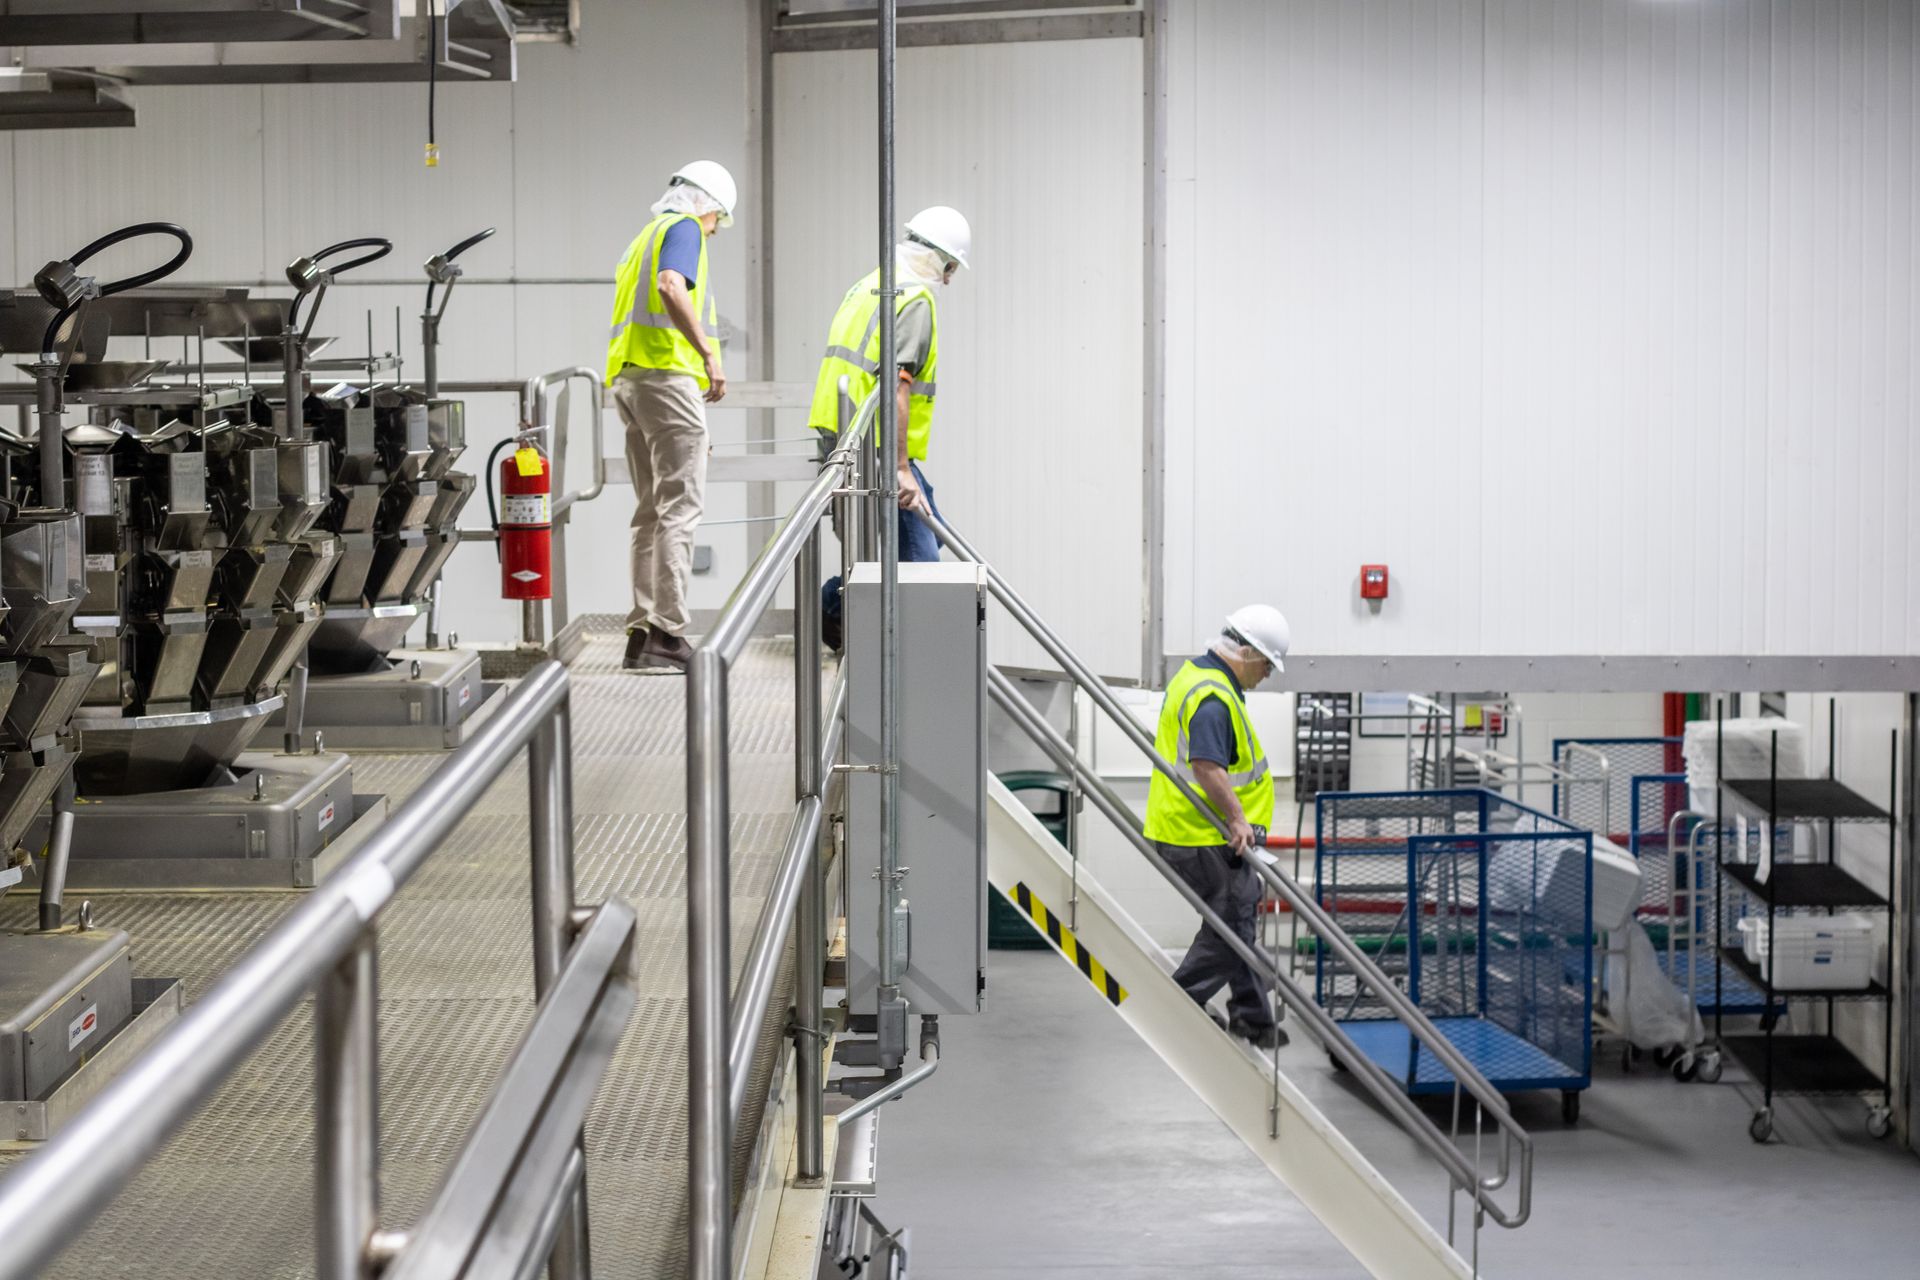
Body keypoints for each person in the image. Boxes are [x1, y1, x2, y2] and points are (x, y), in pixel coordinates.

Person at [807, 206, 971, 649]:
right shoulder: (915, 299)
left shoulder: (869, 285)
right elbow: (898, 386)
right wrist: (899, 467)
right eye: (951, 267)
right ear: (939, 258)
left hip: (844, 438)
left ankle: (835, 606)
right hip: (875, 448)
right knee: (920, 559)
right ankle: (911, 650)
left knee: (915, 523)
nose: (949, 279)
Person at [606, 160, 737, 673]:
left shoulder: (643, 236)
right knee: (680, 508)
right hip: (667, 377)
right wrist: (708, 355)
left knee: (649, 512)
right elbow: (670, 286)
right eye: (717, 221)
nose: (713, 232)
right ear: (706, 205)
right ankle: (670, 631)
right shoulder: (683, 228)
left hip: (631, 380)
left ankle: (641, 634)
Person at [1142, 605, 1292, 1049]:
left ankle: (1253, 1018)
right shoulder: (1212, 696)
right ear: (1245, 652)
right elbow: (1207, 766)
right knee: (1230, 928)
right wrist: (1238, 818)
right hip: (1201, 834)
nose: (1266, 674)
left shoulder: (1200, 678)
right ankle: (1177, 1004)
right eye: (1266, 664)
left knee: (1239, 920)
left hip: (1197, 831)